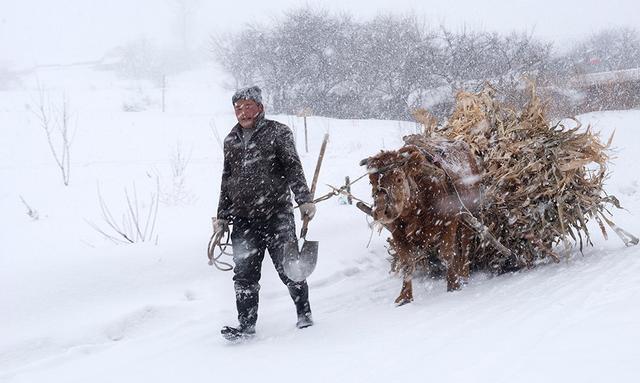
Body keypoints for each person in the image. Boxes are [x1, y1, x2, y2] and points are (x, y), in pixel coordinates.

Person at [213, 85, 317, 341]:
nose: (243, 112)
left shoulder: (278, 132)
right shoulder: (230, 140)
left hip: (276, 214)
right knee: (244, 274)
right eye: (238, 108)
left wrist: (303, 199)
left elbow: (293, 167)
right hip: (243, 218)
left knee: (289, 268)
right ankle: (246, 325)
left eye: (248, 106)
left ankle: (304, 314)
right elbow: (228, 179)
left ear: (260, 108)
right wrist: (222, 215)